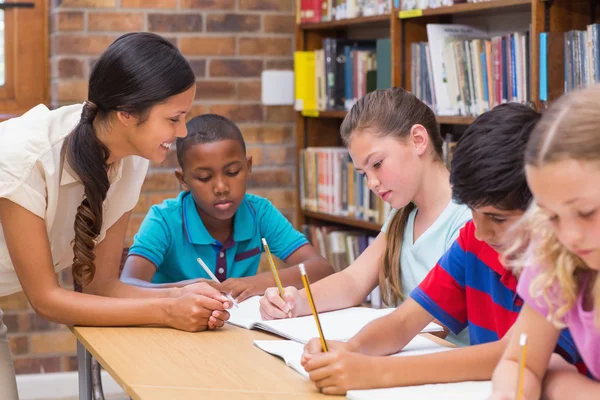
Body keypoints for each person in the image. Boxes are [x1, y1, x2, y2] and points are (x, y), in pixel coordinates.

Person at [0, 32, 231, 400]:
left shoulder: (132, 158)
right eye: (174, 118)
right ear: (126, 113)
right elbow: (46, 299)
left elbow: (101, 286)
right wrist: (169, 312)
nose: (183, 131)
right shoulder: (26, 160)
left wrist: (182, 292)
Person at [300, 103, 583, 395]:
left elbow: (512, 353)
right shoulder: (473, 238)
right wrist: (352, 348)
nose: (482, 232)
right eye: (472, 211)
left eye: (497, 218)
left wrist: (375, 372)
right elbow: (405, 320)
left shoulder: (561, 264)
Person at [260, 87, 472, 346]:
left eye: (378, 164)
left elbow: (431, 322)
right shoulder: (402, 214)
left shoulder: (467, 220)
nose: (371, 183)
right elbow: (352, 281)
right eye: (363, 174)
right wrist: (296, 300)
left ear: (418, 140)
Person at [121, 114, 333, 302]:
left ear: (248, 167)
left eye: (232, 172)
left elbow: (321, 269)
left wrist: (258, 282)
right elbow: (128, 285)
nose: (221, 187)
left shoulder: (259, 213)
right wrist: (182, 291)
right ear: (183, 179)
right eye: (204, 177)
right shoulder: (164, 220)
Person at [490, 87, 600, 399]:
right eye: (552, 215)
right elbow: (518, 362)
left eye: (585, 212)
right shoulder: (557, 250)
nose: (569, 235)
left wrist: (558, 382)